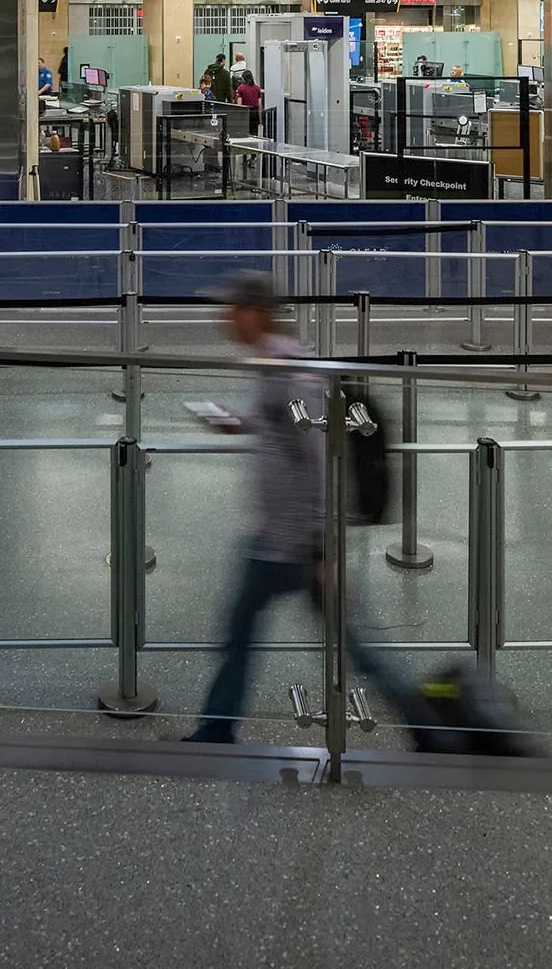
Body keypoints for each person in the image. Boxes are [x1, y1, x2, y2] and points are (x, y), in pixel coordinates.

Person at [184, 273, 436, 746]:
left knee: (263, 637)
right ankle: (423, 722)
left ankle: (216, 730)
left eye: (233, 308)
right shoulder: (269, 365)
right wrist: (232, 423)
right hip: (282, 539)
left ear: (257, 313)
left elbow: (323, 461)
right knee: (351, 644)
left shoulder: (292, 373)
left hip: (297, 546)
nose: (224, 317)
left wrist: (324, 549)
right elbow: (276, 427)